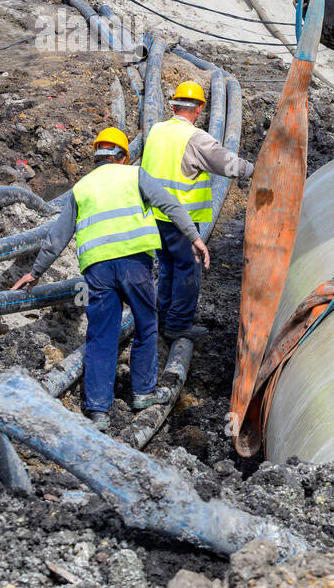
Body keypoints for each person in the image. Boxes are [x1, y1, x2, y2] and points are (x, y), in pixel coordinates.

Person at [12, 128, 209, 431]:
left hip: (97, 271)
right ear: (122, 156)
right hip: (133, 264)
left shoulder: (81, 187)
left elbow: (58, 236)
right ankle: (143, 392)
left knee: (101, 336)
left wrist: (35, 271)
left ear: (96, 157)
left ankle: (98, 410)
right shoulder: (134, 176)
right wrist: (194, 238)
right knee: (146, 325)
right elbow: (170, 205)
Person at [141, 81, 253, 340]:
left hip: (154, 215)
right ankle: (178, 325)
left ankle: (163, 316)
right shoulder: (195, 138)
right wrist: (254, 170)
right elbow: (226, 164)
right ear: (200, 108)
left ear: (174, 104)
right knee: (188, 269)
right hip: (182, 220)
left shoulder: (156, 130)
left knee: (168, 266)